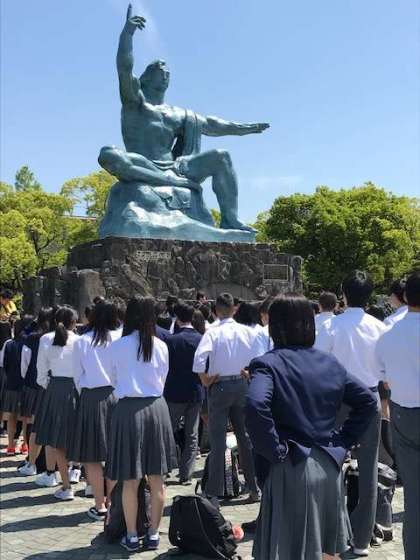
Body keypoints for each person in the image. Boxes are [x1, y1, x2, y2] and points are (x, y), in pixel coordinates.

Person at [246, 294, 378, 560]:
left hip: (290, 465)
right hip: (328, 464)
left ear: (275, 326)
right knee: (328, 548)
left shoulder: (268, 364)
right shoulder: (329, 362)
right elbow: (368, 401)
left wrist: (272, 449)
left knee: (287, 549)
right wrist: (343, 440)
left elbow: (255, 403)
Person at [316, 270, 388, 556]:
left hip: (338, 398)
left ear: (343, 294)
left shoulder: (331, 326)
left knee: (332, 464)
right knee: (369, 469)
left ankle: (334, 534)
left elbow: (319, 363)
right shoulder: (380, 327)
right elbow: (384, 371)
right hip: (369, 397)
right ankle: (361, 540)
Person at [106, 297, 177, 552]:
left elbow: (113, 379)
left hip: (128, 410)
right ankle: (154, 534)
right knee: (157, 479)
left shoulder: (118, 345)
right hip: (157, 408)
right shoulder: (161, 345)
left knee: (130, 479)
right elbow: (163, 378)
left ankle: (132, 536)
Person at [193, 292, 260, 502]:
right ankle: (253, 487)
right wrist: (250, 373)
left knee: (218, 440)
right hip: (242, 382)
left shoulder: (212, 332)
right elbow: (260, 356)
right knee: (245, 437)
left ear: (215, 311)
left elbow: (199, 359)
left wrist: (205, 379)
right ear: (234, 309)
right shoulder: (246, 331)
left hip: (220, 384)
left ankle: (214, 492)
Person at [376, 271, 420, 560]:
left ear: (405, 296)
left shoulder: (388, 331)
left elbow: (383, 376)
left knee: (414, 496)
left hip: (403, 413)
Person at [69, 301, 121, 521]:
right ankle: (115, 505)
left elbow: (76, 375)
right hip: (116, 396)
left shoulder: (82, 341)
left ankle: (100, 506)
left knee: (92, 456)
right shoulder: (120, 339)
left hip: (91, 397)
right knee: (115, 454)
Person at [35, 306, 80, 501]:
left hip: (54, 388)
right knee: (78, 436)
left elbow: (40, 372)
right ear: (74, 322)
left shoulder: (45, 339)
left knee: (56, 440)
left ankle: (66, 486)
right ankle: (78, 472)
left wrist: (50, 385)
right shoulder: (80, 340)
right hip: (77, 388)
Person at [164, 302, 203, 484]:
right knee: (192, 434)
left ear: (177, 319)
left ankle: (164, 468)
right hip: (195, 390)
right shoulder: (201, 338)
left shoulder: (171, 340)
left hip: (174, 391)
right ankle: (186, 474)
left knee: (167, 431)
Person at [18, 308, 55, 476]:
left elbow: (24, 363)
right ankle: (50, 465)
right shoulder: (61, 337)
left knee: (34, 425)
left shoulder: (33, 338)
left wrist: (27, 379)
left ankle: (32, 460)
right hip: (54, 385)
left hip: (33, 385)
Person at [0, 316, 33, 455]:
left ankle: (10, 446)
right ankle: (25, 444)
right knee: (25, 417)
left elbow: (3, 363)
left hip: (11, 384)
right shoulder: (30, 343)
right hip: (26, 385)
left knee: (11, 416)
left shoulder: (9, 343)